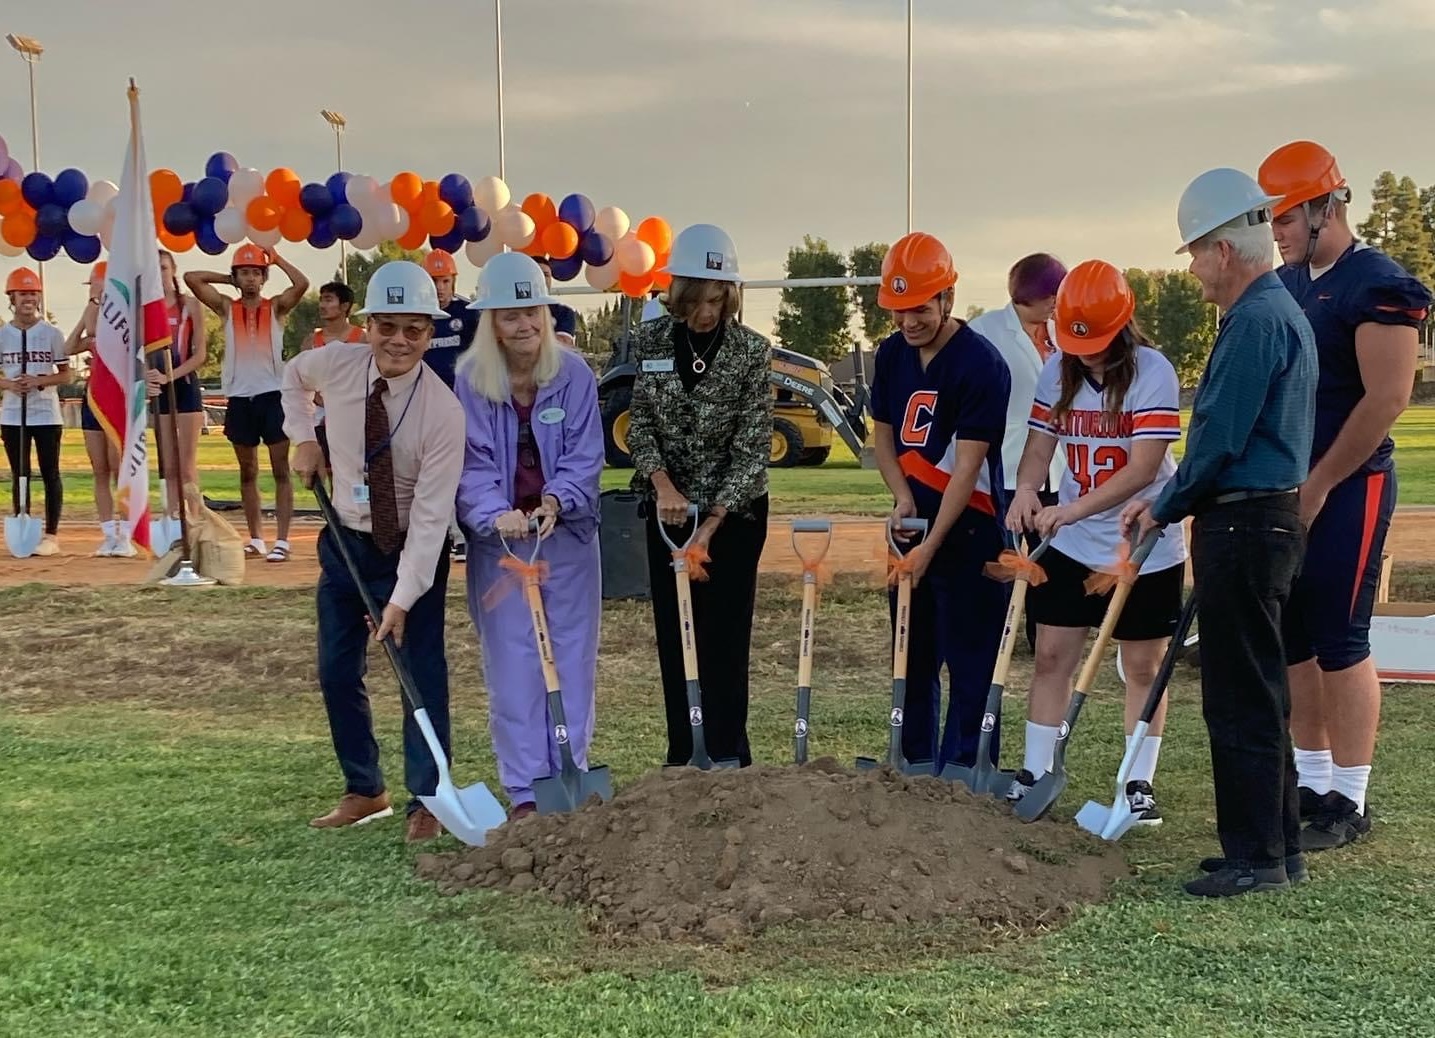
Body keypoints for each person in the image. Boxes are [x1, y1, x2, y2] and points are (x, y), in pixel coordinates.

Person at [1122, 167, 1316, 897]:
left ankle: (1254, 857)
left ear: (1223, 250)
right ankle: (1277, 846)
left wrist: (1162, 505)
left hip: (1242, 521)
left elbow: (1218, 440)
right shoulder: (1277, 309)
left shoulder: (1254, 321)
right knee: (1258, 687)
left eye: (1196, 254)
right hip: (1262, 519)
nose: (1194, 271)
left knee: (1237, 695)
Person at [1258, 141, 1433, 851]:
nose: (1275, 231)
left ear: (1323, 208)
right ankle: (1312, 777)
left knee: (1340, 633)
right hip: (1292, 480)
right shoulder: (1288, 282)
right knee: (1294, 635)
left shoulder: (1377, 283)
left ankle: (1350, 796)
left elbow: (1386, 398)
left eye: (1283, 217)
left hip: (1350, 482)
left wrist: (1322, 481)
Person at [281, 260, 463, 844]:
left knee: (420, 675)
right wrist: (304, 439)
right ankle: (365, 789)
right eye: (387, 326)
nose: (399, 341)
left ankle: (428, 798)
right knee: (337, 669)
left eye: (414, 329)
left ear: (429, 334)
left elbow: (432, 521)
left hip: (409, 548)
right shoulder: (337, 363)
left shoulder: (443, 413)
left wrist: (402, 599)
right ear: (370, 326)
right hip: (345, 541)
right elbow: (291, 378)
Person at [1005, 259, 1187, 822]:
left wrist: (1071, 508)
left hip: (1144, 538)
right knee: (1051, 655)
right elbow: (1039, 444)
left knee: (1142, 666)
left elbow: (1143, 468)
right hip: (1074, 540)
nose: (1087, 355)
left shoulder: (1153, 371)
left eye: (1097, 343)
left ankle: (1137, 780)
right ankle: (1035, 769)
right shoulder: (1056, 369)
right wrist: (1027, 489)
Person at [454, 251, 604, 819]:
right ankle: (524, 789)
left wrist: (556, 499)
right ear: (491, 322)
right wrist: (496, 513)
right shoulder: (470, 381)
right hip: (502, 546)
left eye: (533, 311)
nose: (525, 325)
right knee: (515, 664)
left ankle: (571, 770)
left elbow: (586, 453)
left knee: (570, 658)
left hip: (565, 538)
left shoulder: (575, 375)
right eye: (511, 315)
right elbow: (469, 462)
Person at [626, 223, 773, 768]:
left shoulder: (752, 351)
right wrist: (662, 485)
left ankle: (730, 752)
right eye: (696, 301)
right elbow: (641, 425)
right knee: (676, 632)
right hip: (669, 514)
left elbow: (752, 446)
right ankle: (683, 753)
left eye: (717, 300)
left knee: (724, 636)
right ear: (678, 294)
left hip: (733, 516)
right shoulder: (651, 342)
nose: (706, 313)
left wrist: (712, 522)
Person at [868, 232, 1011, 772]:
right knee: (911, 652)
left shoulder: (981, 363)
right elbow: (883, 436)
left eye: (921, 309)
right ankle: (914, 762)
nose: (909, 322)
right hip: (912, 525)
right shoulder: (890, 355)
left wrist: (932, 544)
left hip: (969, 525)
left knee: (971, 659)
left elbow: (968, 467)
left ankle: (965, 770)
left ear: (948, 298)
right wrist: (902, 499)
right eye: (899, 310)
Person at [969, 253, 1069, 650]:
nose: (1056, 304)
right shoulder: (986, 330)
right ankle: (999, 635)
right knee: (1006, 558)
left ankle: (1043, 633)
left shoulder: (1061, 332)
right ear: (1030, 293)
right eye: (1051, 295)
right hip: (1005, 467)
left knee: (1051, 560)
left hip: (1055, 469)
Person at [186, 244, 309, 562]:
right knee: (247, 472)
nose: (250, 278)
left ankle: (282, 541)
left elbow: (302, 284)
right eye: (244, 273)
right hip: (240, 398)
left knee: (281, 470)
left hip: (273, 396)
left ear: (264, 277)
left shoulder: (276, 307)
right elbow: (192, 278)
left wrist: (278, 260)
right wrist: (227, 280)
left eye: (256, 273)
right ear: (237, 276)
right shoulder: (227, 308)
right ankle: (256, 539)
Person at [1, 266, 71, 556]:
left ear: (39, 297)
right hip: (12, 414)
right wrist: (9, 384)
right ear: (12, 298)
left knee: (50, 472)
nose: (28, 299)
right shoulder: (3, 334)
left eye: (33, 293)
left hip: (46, 413)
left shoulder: (52, 333)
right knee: (20, 473)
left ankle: (51, 535)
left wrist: (39, 381)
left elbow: (66, 374)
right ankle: (23, 522)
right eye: (22, 294)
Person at [66, 262, 130, 557]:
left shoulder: (123, 321)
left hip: (117, 397)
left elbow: (97, 330)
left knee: (119, 469)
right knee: (99, 470)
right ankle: (108, 534)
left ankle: (126, 533)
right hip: (93, 397)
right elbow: (68, 348)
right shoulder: (92, 315)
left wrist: (97, 301)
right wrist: (88, 308)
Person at [423, 249, 480, 564]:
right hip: (426, 408)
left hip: (463, 407)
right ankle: (446, 534)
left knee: (464, 469)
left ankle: (464, 533)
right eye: (434, 281)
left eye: (444, 281)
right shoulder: (418, 314)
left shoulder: (468, 314)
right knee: (432, 473)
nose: (439, 288)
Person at [153, 250, 209, 528]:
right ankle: (173, 519)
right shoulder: (144, 309)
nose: (159, 273)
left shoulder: (190, 305)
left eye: (163, 267)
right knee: (168, 464)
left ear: (173, 269)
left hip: (185, 386)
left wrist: (170, 376)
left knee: (186, 465)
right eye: (154, 268)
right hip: (158, 390)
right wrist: (148, 376)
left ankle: (194, 520)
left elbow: (200, 355)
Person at [299, 281, 365, 465]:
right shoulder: (311, 342)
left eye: (328, 300)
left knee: (355, 469)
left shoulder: (363, 339)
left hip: (353, 415)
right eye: (321, 300)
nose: (322, 305)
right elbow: (302, 380)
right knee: (326, 469)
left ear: (344, 306)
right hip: (320, 416)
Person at [534, 257, 579, 347]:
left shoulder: (564, 313)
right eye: (536, 274)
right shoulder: (512, 310)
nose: (542, 279)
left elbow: (563, 345)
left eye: (546, 275)